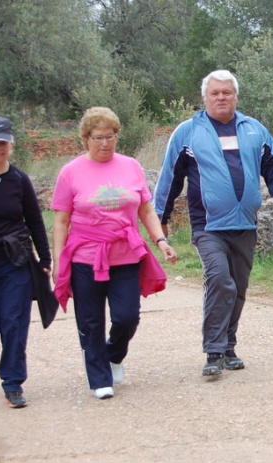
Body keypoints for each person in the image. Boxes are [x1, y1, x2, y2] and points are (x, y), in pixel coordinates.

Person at [153, 69, 273, 378]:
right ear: (205, 98)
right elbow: (170, 178)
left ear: (236, 96)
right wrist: (161, 219)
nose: (221, 97)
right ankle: (213, 350)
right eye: (215, 93)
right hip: (207, 225)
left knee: (238, 287)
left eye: (226, 92)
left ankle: (229, 346)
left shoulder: (255, 130)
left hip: (245, 224)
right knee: (220, 280)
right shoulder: (187, 132)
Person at [52, 107, 177, 400]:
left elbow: (146, 208)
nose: (105, 144)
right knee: (90, 320)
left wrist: (161, 240)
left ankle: (114, 354)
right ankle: (99, 378)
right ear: (86, 139)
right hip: (86, 256)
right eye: (98, 138)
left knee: (127, 317)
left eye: (110, 137)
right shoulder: (70, 172)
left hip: (125, 255)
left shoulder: (131, 166)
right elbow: (60, 220)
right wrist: (59, 261)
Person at [0, 116, 53, 409]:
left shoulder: (19, 180)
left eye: (3, 142)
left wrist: (44, 258)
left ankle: (13, 383)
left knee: (14, 324)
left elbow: (35, 221)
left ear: (11, 145)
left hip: (14, 262)